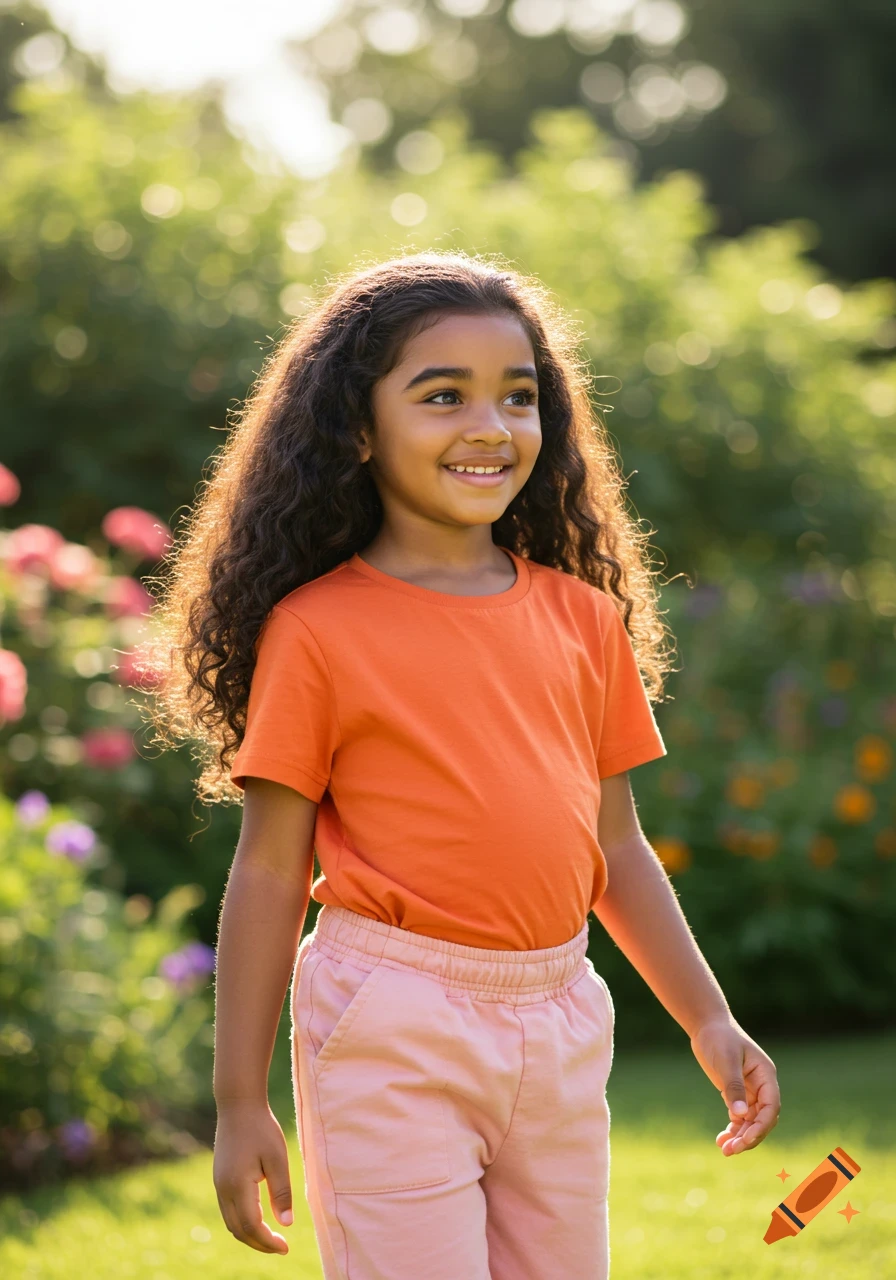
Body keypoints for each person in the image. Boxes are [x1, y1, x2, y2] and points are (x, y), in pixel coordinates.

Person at [144, 250, 780, 1279]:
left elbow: (614, 846)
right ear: (358, 426)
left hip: (560, 1006)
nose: (490, 426)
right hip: (392, 1015)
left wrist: (709, 1018)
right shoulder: (316, 630)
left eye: (517, 396)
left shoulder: (582, 617)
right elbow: (268, 868)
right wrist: (236, 1097)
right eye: (442, 395)